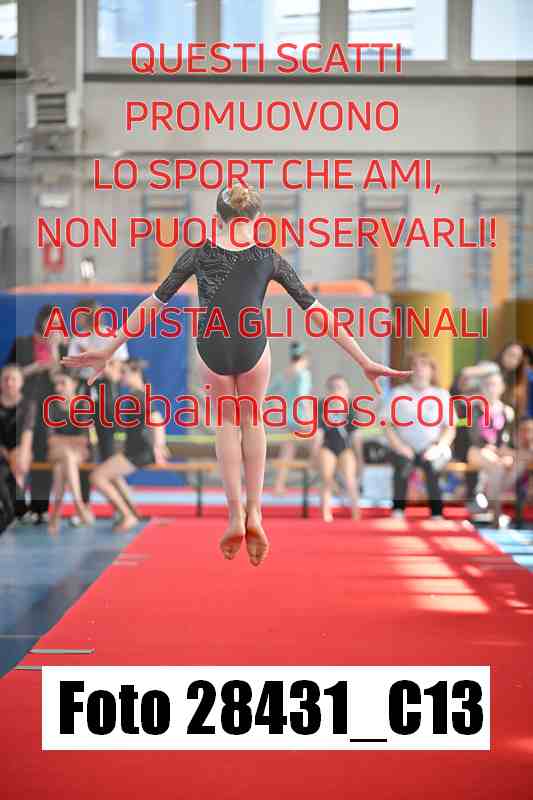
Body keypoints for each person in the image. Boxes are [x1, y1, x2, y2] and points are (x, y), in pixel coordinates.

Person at [62, 185, 409, 565]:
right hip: (251, 344)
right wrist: (362, 359)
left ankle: (233, 514)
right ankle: (255, 511)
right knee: (252, 421)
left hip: (212, 346)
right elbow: (317, 312)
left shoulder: (198, 254)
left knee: (227, 424)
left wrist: (109, 348)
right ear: (259, 221)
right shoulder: (268, 257)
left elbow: (153, 304)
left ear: (217, 220)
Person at [89, 359, 169, 532]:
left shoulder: (140, 396)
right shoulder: (136, 395)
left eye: (124, 372)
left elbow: (157, 420)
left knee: (97, 477)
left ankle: (127, 516)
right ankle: (133, 511)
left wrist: (159, 448)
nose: (121, 376)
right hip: (134, 450)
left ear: (136, 373)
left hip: (140, 452)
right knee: (112, 475)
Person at [6, 305, 67, 522]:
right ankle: (17, 506)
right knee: (18, 456)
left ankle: (40, 509)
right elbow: (10, 373)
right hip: (23, 407)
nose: (54, 326)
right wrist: (36, 367)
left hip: (47, 410)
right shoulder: (23, 343)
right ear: (41, 321)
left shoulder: (62, 347)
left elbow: (61, 379)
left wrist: (55, 350)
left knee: (43, 456)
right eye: (51, 321)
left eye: (57, 323)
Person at [382, 352, 455, 520]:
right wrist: (400, 446)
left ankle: (436, 513)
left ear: (432, 370)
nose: (419, 369)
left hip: (433, 447)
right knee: (402, 464)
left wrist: (438, 447)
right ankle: (398, 510)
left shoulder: (442, 395)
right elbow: (386, 425)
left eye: (424, 365)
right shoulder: (398, 393)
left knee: (432, 465)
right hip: (403, 446)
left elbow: (450, 428)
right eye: (415, 365)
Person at [46, 370, 95, 533]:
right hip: (57, 452)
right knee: (66, 456)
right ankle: (79, 504)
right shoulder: (51, 405)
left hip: (78, 453)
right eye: (56, 384)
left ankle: (55, 514)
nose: (58, 388)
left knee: (61, 467)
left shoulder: (83, 405)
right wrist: (69, 442)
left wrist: (62, 441)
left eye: (63, 383)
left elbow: (83, 439)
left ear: (74, 384)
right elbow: (50, 440)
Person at [466, 370, 516, 527]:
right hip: (475, 450)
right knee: (497, 466)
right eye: (487, 385)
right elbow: (470, 435)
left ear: (502, 387)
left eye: (494, 384)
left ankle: (486, 503)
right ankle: (496, 514)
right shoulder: (473, 408)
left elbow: (508, 440)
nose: (491, 388)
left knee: (504, 465)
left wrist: (505, 453)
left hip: (497, 453)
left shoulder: (507, 411)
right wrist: (485, 447)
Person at [311, 374, 362, 522]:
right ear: (327, 392)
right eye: (332, 388)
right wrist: (313, 455)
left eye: (339, 387)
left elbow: (356, 436)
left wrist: (360, 458)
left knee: (350, 478)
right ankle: (326, 513)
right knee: (326, 478)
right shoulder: (322, 406)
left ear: (347, 391)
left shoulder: (351, 408)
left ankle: (356, 513)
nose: (336, 391)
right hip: (327, 447)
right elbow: (318, 434)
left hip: (345, 448)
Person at [269, 341, 312, 494]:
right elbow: (302, 396)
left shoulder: (283, 374)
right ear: (304, 357)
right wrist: (309, 418)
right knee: (321, 446)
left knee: (287, 451)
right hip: (301, 416)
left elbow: (268, 393)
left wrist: (279, 408)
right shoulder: (303, 374)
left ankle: (278, 485)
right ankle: (330, 482)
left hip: (288, 417)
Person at [0, 364, 35, 519]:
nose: (9, 383)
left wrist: (22, 454)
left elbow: (27, 432)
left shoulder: (28, 405)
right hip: (2, 449)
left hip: (19, 448)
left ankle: (17, 506)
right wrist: (3, 452)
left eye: (13, 379)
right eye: (5, 379)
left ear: (21, 382)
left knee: (18, 461)